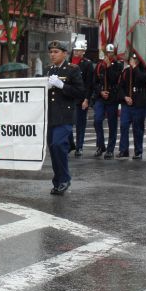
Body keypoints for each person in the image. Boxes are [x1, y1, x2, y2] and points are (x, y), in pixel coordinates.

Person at [45, 40, 84, 195]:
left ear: (64, 53)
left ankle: (64, 179)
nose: (52, 55)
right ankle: (58, 180)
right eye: (51, 52)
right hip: (51, 115)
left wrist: (62, 86)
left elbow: (80, 92)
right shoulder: (48, 70)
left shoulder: (72, 69)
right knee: (53, 149)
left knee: (58, 144)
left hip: (65, 115)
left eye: (56, 52)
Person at [93, 43, 123, 159]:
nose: (109, 55)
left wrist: (109, 66)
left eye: (111, 53)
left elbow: (115, 79)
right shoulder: (99, 65)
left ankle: (110, 149)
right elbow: (94, 82)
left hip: (112, 97)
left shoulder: (118, 65)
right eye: (107, 53)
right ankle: (100, 145)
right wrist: (100, 91)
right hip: (101, 97)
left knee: (112, 124)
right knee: (97, 120)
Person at [117, 53, 146, 159]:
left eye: (135, 59)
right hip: (127, 104)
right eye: (131, 59)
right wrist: (125, 97)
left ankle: (138, 151)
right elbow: (120, 87)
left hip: (139, 104)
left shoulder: (144, 71)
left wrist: (135, 67)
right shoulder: (126, 71)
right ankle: (123, 150)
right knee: (124, 126)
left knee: (138, 128)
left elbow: (142, 79)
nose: (133, 61)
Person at [68, 39, 94, 157]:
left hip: (81, 98)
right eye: (75, 50)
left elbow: (89, 84)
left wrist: (86, 99)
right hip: (68, 97)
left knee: (80, 124)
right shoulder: (68, 62)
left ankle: (79, 146)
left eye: (79, 50)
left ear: (83, 52)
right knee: (67, 123)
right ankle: (70, 144)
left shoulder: (87, 64)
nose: (76, 52)